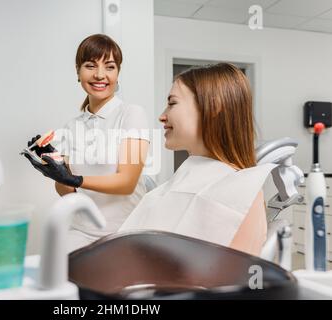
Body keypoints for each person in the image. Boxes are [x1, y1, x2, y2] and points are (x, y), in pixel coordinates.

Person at [119, 63, 275, 256]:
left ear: (213, 106)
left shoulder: (242, 193)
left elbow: (235, 277)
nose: (162, 116)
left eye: (172, 103)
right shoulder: (185, 179)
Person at [25, 34, 150, 252]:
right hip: (80, 231)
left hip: (124, 232)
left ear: (118, 73)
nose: (100, 75)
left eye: (109, 67)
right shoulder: (72, 125)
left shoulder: (131, 114)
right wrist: (55, 169)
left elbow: (127, 182)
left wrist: (75, 178)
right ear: (78, 71)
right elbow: (68, 191)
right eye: (90, 66)